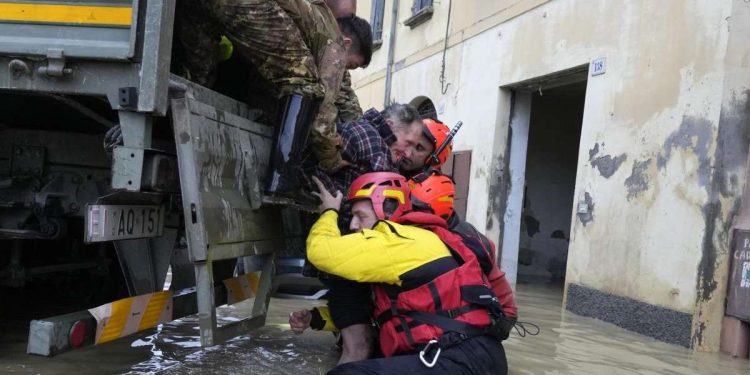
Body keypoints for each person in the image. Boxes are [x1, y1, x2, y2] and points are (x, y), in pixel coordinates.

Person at [305, 172, 509, 374]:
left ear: (387, 210)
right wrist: (316, 319)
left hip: (461, 358)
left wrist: (329, 212)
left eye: (361, 216)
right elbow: (393, 315)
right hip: (473, 356)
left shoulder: (398, 241)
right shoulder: (419, 240)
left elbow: (320, 252)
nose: (353, 225)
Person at [174, 0, 373, 195]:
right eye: (351, 65)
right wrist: (332, 159)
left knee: (199, 74)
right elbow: (322, 110)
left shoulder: (311, 17)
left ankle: (171, 127)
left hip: (197, 6)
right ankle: (282, 181)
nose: (345, 70)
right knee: (304, 83)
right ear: (347, 44)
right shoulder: (336, 45)